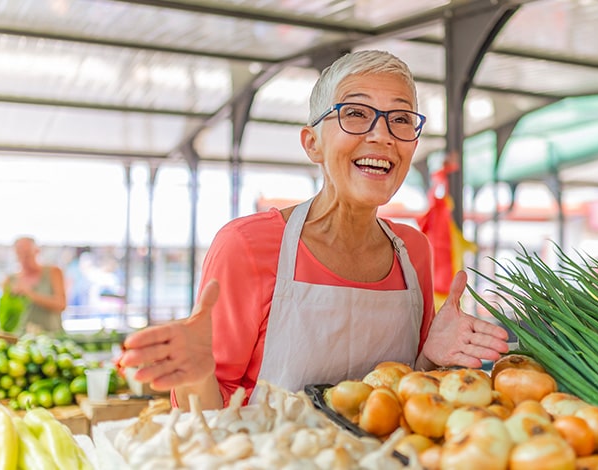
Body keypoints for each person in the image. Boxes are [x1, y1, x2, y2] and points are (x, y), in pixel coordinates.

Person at [119, 50, 510, 410]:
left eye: (401, 119)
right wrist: (200, 373)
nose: (382, 135)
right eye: (355, 113)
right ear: (313, 143)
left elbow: (406, 397)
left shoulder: (413, 251)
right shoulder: (247, 246)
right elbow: (203, 422)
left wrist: (431, 357)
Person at [3, 236, 67, 334]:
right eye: (20, 254)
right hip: (22, 340)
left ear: (37, 251)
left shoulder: (54, 272)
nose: (24, 259)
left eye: (27, 254)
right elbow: (6, 316)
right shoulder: (10, 280)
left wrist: (30, 294)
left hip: (52, 337)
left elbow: (61, 305)